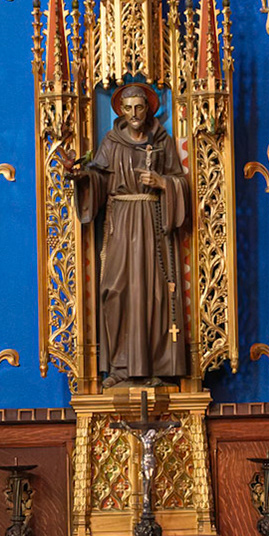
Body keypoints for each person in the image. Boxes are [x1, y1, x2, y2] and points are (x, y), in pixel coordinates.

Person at [62, 81, 188, 385]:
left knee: (154, 293)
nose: (134, 113)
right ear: (120, 110)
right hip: (120, 222)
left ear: (148, 109)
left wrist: (162, 183)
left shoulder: (162, 141)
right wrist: (79, 176)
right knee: (115, 290)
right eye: (128, 108)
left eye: (139, 107)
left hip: (153, 223)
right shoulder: (111, 142)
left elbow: (180, 182)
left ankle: (156, 366)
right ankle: (119, 367)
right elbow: (98, 179)